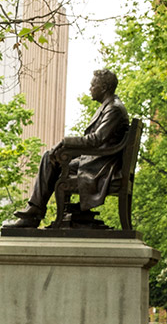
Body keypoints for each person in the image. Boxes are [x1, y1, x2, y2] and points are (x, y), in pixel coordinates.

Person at [8, 69, 131, 230]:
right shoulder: (108, 106)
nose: (90, 89)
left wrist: (65, 142)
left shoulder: (114, 109)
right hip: (97, 161)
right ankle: (36, 211)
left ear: (105, 87)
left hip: (102, 167)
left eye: (93, 85)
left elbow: (96, 140)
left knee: (52, 161)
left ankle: (35, 213)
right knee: (50, 158)